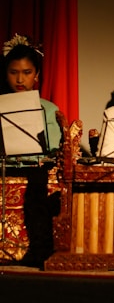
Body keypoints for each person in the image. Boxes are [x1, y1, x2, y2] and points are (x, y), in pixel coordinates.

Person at [0, 33, 62, 268]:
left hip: (35, 171)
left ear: (36, 76)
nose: (20, 79)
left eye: (26, 73)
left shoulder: (48, 109)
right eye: (13, 72)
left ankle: (38, 252)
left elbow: (55, 149)